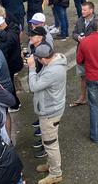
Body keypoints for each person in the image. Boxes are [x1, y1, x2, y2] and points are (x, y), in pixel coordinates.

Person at [25, 42, 67, 184]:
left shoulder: (52, 71)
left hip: (50, 113)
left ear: (43, 59)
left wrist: (31, 68)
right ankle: (51, 166)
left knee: (50, 143)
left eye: (37, 59)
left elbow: (34, 86)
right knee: (49, 141)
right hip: (52, 109)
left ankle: (56, 174)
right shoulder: (55, 61)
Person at [71, 2, 98, 107]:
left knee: (93, 77)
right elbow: (73, 33)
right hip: (82, 53)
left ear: (91, 10)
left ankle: (94, 99)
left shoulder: (97, 21)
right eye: (82, 10)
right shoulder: (80, 20)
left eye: (84, 10)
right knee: (83, 77)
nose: (82, 12)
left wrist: (89, 40)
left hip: (93, 55)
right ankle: (82, 97)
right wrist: (78, 37)